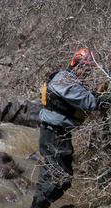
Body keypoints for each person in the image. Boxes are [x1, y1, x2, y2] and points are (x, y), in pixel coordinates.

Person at [31, 48, 105, 208]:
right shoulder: (64, 80)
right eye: (86, 69)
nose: (87, 72)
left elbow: (86, 97)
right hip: (53, 135)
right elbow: (89, 102)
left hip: (57, 133)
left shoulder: (71, 80)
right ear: (77, 65)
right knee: (60, 179)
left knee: (48, 176)